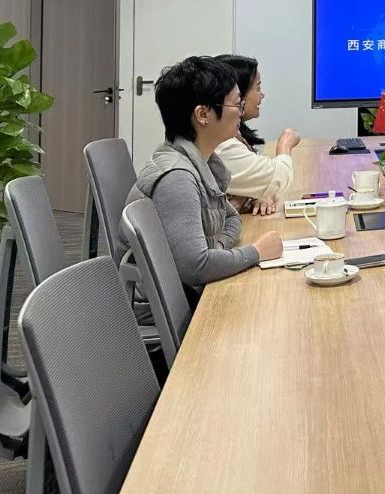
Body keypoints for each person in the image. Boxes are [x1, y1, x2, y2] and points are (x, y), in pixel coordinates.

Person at [124, 56, 282, 311]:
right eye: (236, 104)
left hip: (187, 292)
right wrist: (256, 252)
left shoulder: (203, 161)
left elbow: (232, 219)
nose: (241, 112)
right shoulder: (177, 177)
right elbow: (195, 266)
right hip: (168, 308)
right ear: (203, 114)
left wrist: (215, 249)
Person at [214, 54, 300, 216]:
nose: (262, 95)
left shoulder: (231, 135)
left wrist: (256, 192)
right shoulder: (222, 146)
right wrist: (285, 144)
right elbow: (276, 178)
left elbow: (258, 181)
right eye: (258, 88)